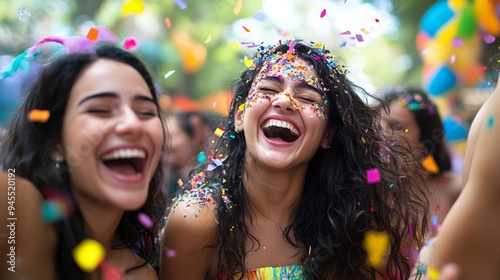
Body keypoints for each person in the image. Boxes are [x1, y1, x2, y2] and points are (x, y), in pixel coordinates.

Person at [160, 39, 431, 279]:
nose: (286, 101)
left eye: (307, 97)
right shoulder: (197, 218)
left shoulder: (349, 223)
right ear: (239, 117)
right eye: (268, 89)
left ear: (328, 134)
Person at [0, 44, 167, 279]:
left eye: (146, 112)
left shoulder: (143, 275)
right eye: (100, 110)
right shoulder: (11, 209)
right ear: (54, 143)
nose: (132, 123)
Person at [410, 69, 500, 279]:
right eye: (380, 124)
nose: (383, 133)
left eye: (397, 126)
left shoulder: (452, 185)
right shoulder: (371, 193)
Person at [379, 87, 462, 228]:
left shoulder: (457, 190)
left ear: (425, 138)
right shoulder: (370, 200)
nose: (382, 137)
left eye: (397, 127)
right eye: (379, 128)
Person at [164, 110, 215, 202]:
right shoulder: (165, 179)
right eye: (163, 137)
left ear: (195, 136)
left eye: (171, 136)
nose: (165, 144)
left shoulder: (211, 177)